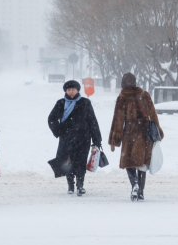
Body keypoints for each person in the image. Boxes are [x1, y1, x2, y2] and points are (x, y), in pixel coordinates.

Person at [108, 73, 164, 201]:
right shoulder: (145, 95)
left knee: (129, 162)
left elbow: (118, 119)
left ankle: (134, 185)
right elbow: (153, 116)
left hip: (130, 134)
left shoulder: (122, 97)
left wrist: (114, 140)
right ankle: (141, 192)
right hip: (145, 135)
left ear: (123, 83)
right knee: (142, 164)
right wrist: (158, 132)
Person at [48, 80, 102, 196]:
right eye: (68, 90)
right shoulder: (61, 103)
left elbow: (93, 121)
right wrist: (58, 131)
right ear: (65, 91)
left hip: (83, 138)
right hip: (67, 139)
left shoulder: (85, 103)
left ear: (78, 90)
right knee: (68, 162)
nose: (71, 92)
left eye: (73, 90)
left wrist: (97, 138)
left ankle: (80, 185)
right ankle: (70, 185)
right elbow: (51, 119)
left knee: (81, 161)